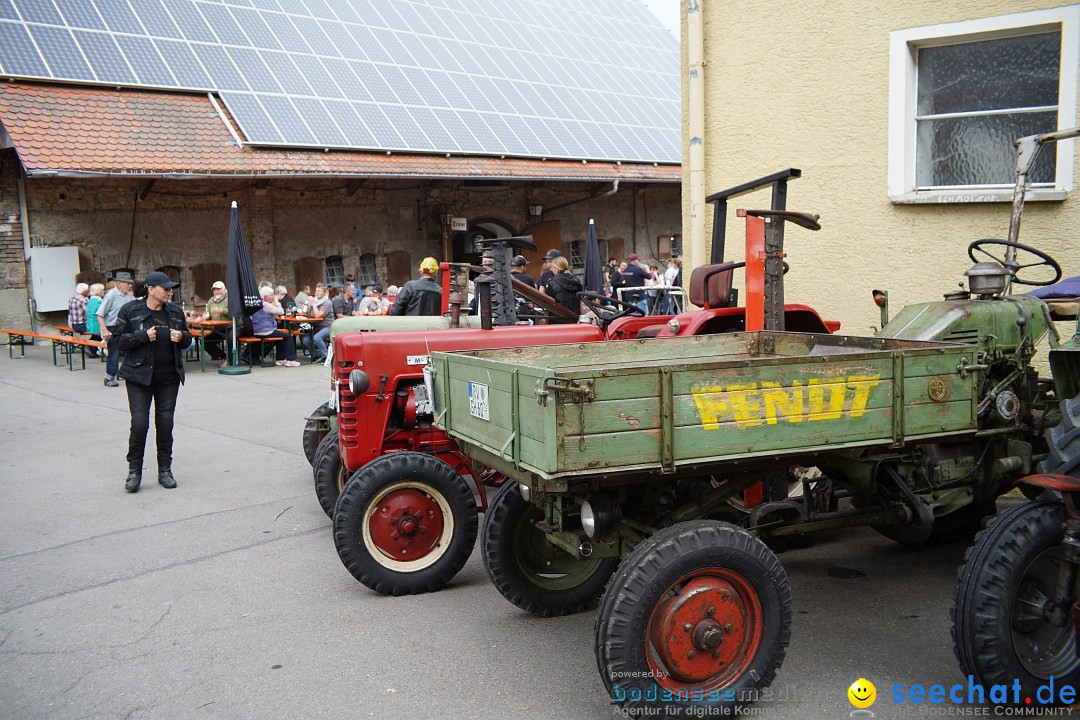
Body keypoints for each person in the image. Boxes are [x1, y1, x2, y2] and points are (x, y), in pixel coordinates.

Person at [112, 271, 192, 492]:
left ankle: (165, 470)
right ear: (150, 289)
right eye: (165, 288)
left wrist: (183, 337)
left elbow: (188, 338)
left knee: (165, 424)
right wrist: (141, 337)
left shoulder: (174, 311)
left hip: (169, 377)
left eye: (171, 288)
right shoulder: (130, 310)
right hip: (139, 376)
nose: (170, 292)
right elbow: (118, 341)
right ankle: (134, 472)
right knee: (140, 423)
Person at [98, 272, 135, 387]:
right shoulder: (111, 295)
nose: (130, 286)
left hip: (126, 327)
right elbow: (100, 314)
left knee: (131, 350)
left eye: (131, 283)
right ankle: (109, 377)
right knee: (114, 352)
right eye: (128, 283)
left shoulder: (129, 296)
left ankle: (128, 373)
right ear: (119, 283)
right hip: (113, 327)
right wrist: (104, 330)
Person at [252, 286, 300, 367]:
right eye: (271, 295)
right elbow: (281, 312)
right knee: (289, 336)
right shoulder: (265, 305)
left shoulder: (257, 303)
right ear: (265, 297)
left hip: (257, 330)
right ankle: (291, 360)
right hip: (266, 331)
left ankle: (280, 359)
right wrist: (277, 303)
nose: (273, 296)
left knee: (280, 337)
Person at [196, 280, 231, 368]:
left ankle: (230, 360)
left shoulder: (230, 299)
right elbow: (208, 313)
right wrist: (206, 316)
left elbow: (234, 312)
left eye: (218, 289)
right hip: (218, 328)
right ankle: (224, 357)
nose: (216, 292)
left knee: (231, 338)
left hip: (231, 327)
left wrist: (222, 311)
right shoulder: (211, 300)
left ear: (225, 290)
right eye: (214, 290)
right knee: (204, 341)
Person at [542, 256, 583, 324]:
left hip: (557, 321)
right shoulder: (577, 281)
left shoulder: (552, 284)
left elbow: (547, 303)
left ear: (556, 268)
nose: (551, 270)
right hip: (574, 320)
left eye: (553, 268)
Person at [303, 283, 335, 361]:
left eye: (320, 291)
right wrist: (306, 305)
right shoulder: (316, 301)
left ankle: (326, 356)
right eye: (316, 291)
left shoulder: (327, 303)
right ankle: (315, 355)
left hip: (327, 326)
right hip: (316, 326)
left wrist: (313, 303)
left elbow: (318, 315)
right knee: (305, 340)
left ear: (324, 293)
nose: (317, 293)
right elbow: (308, 314)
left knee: (317, 338)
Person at [85, 283, 105, 357]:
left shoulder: (91, 300)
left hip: (90, 324)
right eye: (102, 290)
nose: (104, 291)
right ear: (98, 291)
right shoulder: (98, 302)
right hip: (97, 325)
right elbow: (103, 313)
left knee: (95, 337)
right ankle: (95, 350)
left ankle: (92, 348)